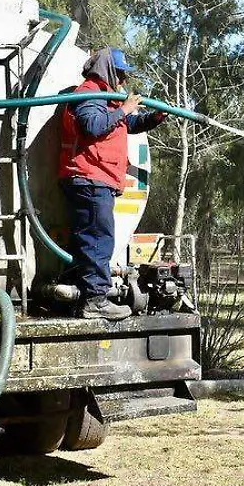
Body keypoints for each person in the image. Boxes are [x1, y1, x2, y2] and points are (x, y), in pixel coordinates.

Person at [58, 47, 167, 321]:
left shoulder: (107, 102)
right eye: (121, 74)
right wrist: (125, 108)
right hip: (89, 177)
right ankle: (95, 300)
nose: (124, 82)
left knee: (93, 238)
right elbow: (92, 127)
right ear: (107, 71)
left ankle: (83, 294)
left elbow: (126, 124)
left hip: (98, 178)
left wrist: (151, 119)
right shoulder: (88, 94)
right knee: (98, 239)